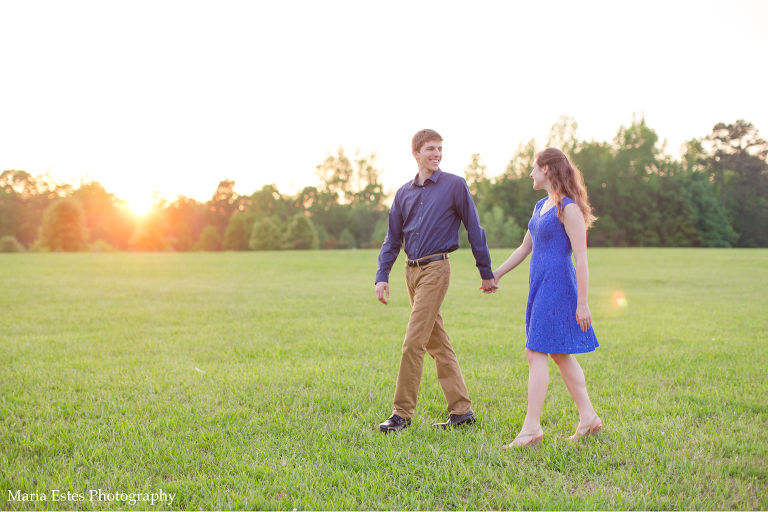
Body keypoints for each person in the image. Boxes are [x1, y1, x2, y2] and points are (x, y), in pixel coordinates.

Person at [375, 129, 498, 433]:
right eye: (430, 149)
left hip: (436, 270)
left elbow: (474, 228)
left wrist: (486, 271)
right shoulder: (404, 192)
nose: (437, 154)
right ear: (415, 153)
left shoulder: (454, 185)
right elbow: (392, 238)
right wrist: (382, 275)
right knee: (437, 343)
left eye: (440, 149)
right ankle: (462, 411)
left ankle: (401, 414)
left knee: (412, 343)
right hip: (410, 272)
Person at [491, 147, 601, 448]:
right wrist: (496, 273)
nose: (530, 173)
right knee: (559, 353)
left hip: (558, 285)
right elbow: (524, 248)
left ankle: (531, 428)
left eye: (534, 168)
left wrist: (582, 302)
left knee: (535, 351)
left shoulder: (569, 208)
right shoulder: (540, 206)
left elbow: (581, 258)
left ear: (548, 169)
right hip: (538, 284)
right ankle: (589, 418)